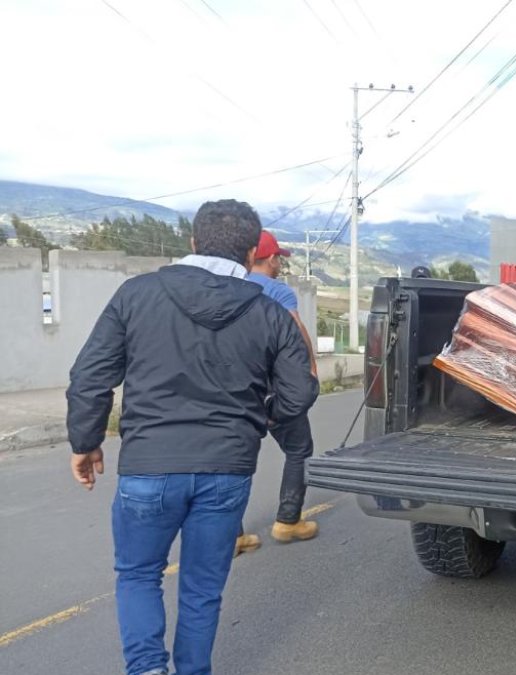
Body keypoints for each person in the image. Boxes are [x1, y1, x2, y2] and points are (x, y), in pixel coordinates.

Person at [66, 199, 319, 675]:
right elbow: (301, 388)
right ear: (250, 253)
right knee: (203, 588)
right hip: (227, 470)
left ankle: (146, 670)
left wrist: (85, 441)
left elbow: (89, 377)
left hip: (148, 466)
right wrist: (259, 421)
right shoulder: (269, 311)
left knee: (139, 576)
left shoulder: (136, 294)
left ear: (193, 242)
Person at [246, 230, 321, 543]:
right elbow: (295, 328)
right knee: (299, 449)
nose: (280, 264)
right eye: (279, 258)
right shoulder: (278, 291)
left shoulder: (230, 287)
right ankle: (287, 521)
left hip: (238, 386)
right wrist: (311, 368)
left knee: (236, 456)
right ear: (272, 259)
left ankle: (231, 533)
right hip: (276, 389)